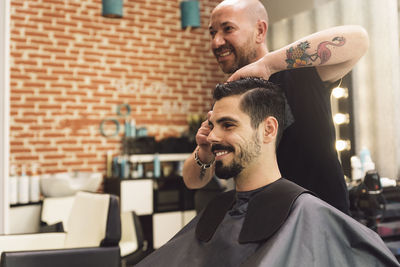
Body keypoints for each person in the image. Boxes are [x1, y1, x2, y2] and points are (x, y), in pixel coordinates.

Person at [136, 78, 398, 266]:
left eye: (228, 125)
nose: (213, 136)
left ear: (268, 130)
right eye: (212, 125)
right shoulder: (218, 210)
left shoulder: (306, 213)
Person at [183, 0, 370, 214]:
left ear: (260, 31)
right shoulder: (227, 100)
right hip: (264, 224)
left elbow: (359, 39)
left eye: (228, 29)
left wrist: (267, 65)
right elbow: (192, 182)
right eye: (212, 33)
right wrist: (205, 151)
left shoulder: (301, 74)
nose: (216, 42)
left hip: (321, 221)